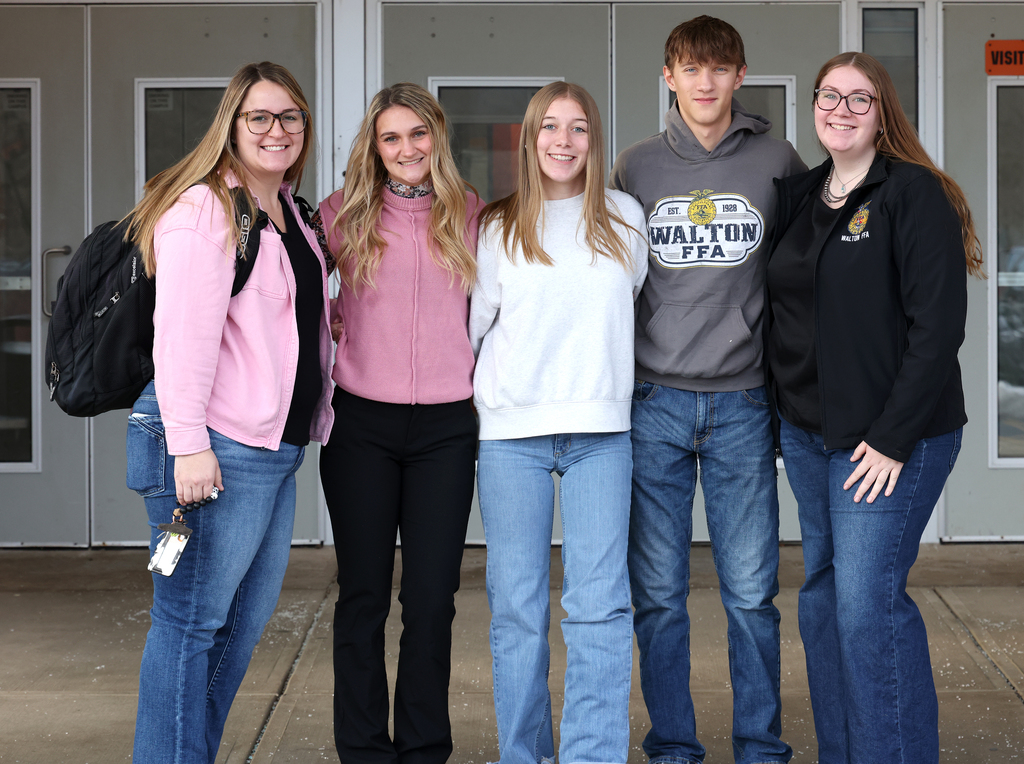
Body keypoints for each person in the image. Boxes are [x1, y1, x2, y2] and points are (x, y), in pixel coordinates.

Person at [765, 52, 983, 764]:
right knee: (824, 602)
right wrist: (779, 413)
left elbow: (937, 328)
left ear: (883, 111)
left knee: (866, 607)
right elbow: (784, 315)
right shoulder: (800, 195)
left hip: (891, 440)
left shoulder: (911, 193)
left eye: (860, 98)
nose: (841, 109)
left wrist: (892, 438)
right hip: (809, 434)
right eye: (829, 95)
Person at [124, 62, 334, 764]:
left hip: (272, 451)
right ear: (232, 127)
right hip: (213, 447)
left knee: (236, 630)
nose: (277, 130)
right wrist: (188, 446)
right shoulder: (206, 209)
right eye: (260, 117)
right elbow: (182, 339)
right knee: (189, 626)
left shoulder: (292, 213)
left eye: (290, 117)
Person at [609, 15, 806, 764]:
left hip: (743, 404)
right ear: (669, 77)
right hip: (653, 402)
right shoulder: (635, 166)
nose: (705, 82)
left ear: (739, 75)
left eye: (719, 68)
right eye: (691, 69)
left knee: (751, 593)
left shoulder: (777, 161)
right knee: (658, 596)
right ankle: (673, 747)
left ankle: (760, 745)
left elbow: (802, 273)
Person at [469, 81, 647, 764]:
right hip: (511, 436)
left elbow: (629, 300)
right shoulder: (497, 225)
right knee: (518, 609)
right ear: (529, 137)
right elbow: (474, 328)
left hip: (601, 434)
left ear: (594, 139)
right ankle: (525, 754)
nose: (563, 140)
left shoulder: (625, 217)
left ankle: (590, 756)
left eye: (577, 127)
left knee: (599, 606)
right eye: (549, 126)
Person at [313, 82, 483, 764]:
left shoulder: (470, 212)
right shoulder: (339, 214)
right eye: (391, 137)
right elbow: (290, 296)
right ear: (375, 148)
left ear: (436, 136)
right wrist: (330, 322)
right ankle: (362, 750)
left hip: (446, 430)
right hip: (361, 427)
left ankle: (423, 749)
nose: (407, 148)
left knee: (432, 599)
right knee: (363, 596)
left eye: (417, 133)